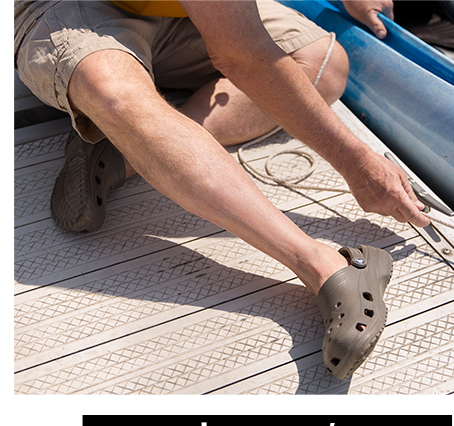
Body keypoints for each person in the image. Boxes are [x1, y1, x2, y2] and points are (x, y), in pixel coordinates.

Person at [15, 0, 428, 380]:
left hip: (183, 16)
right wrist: (355, 159)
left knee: (322, 62)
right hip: (77, 8)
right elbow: (240, 54)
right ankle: (326, 265)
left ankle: (121, 151)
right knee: (117, 98)